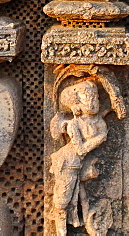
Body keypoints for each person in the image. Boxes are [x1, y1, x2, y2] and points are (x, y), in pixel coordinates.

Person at [50, 81, 110, 236]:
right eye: (88, 98)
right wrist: (98, 139)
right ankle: (60, 231)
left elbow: (101, 134)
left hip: (78, 163)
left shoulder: (99, 122)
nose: (94, 101)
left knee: (82, 197)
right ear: (76, 104)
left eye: (95, 97)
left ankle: (87, 226)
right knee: (63, 200)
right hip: (68, 162)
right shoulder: (73, 125)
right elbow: (80, 149)